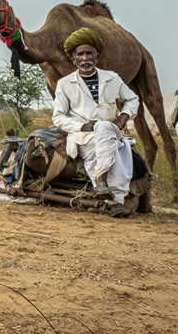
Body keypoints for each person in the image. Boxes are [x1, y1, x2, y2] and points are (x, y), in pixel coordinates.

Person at [52, 27, 140, 218]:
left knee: (104, 127)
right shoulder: (65, 84)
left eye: (89, 53)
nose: (85, 58)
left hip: (111, 132)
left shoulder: (112, 78)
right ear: (73, 59)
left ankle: (101, 182)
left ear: (96, 57)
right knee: (108, 152)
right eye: (80, 54)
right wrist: (81, 126)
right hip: (83, 137)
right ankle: (116, 201)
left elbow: (132, 99)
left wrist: (124, 116)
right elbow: (58, 117)